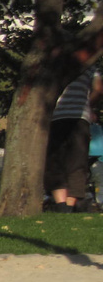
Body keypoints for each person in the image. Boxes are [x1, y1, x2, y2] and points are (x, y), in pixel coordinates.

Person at [44, 66, 102, 212]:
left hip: (56, 117)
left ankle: (61, 205)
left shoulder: (55, 64)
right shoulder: (89, 67)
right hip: (80, 117)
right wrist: (88, 105)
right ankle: (68, 207)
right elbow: (98, 88)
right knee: (77, 163)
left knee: (56, 162)